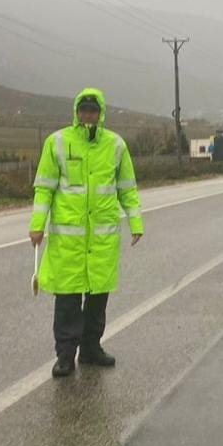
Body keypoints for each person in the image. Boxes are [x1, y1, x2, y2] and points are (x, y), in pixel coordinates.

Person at [29, 88, 144, 377]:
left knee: (97, 299)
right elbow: (44, 188)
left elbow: (127, 189)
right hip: (68, 241)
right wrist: (37, 225)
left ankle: (91, 349)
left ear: (100, 114)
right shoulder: (57, 142)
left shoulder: (115, 145)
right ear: (76, 112)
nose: (88, 115)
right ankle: (65, 356)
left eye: (93, 111)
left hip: (102, 239)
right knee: (67, 301)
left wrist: (136, 223)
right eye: (84, 110)